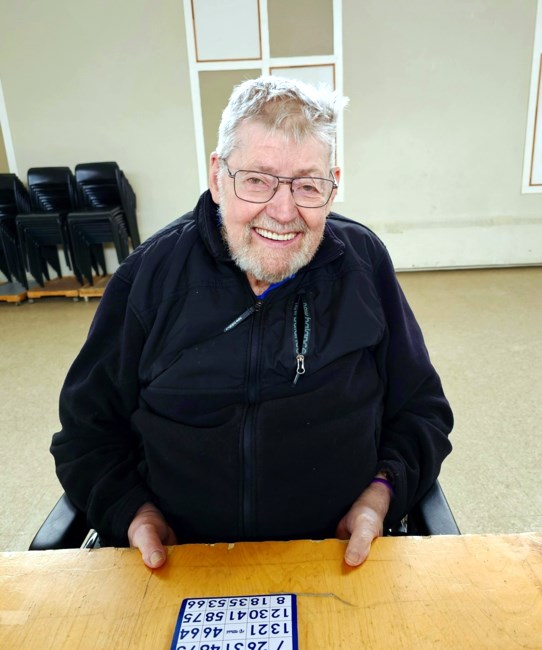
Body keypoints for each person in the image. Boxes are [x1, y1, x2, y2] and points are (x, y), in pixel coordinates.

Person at [51, 76, 453, 570]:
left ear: (332, 186)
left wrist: (381, 492)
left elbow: (421, 410)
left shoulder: (363, 265)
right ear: (218, 176)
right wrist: (133, 512)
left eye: (307, 184)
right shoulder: (149, 277)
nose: (283, 212)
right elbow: (86, 433)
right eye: (257, 180)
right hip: (182, 561)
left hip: (339, 557)